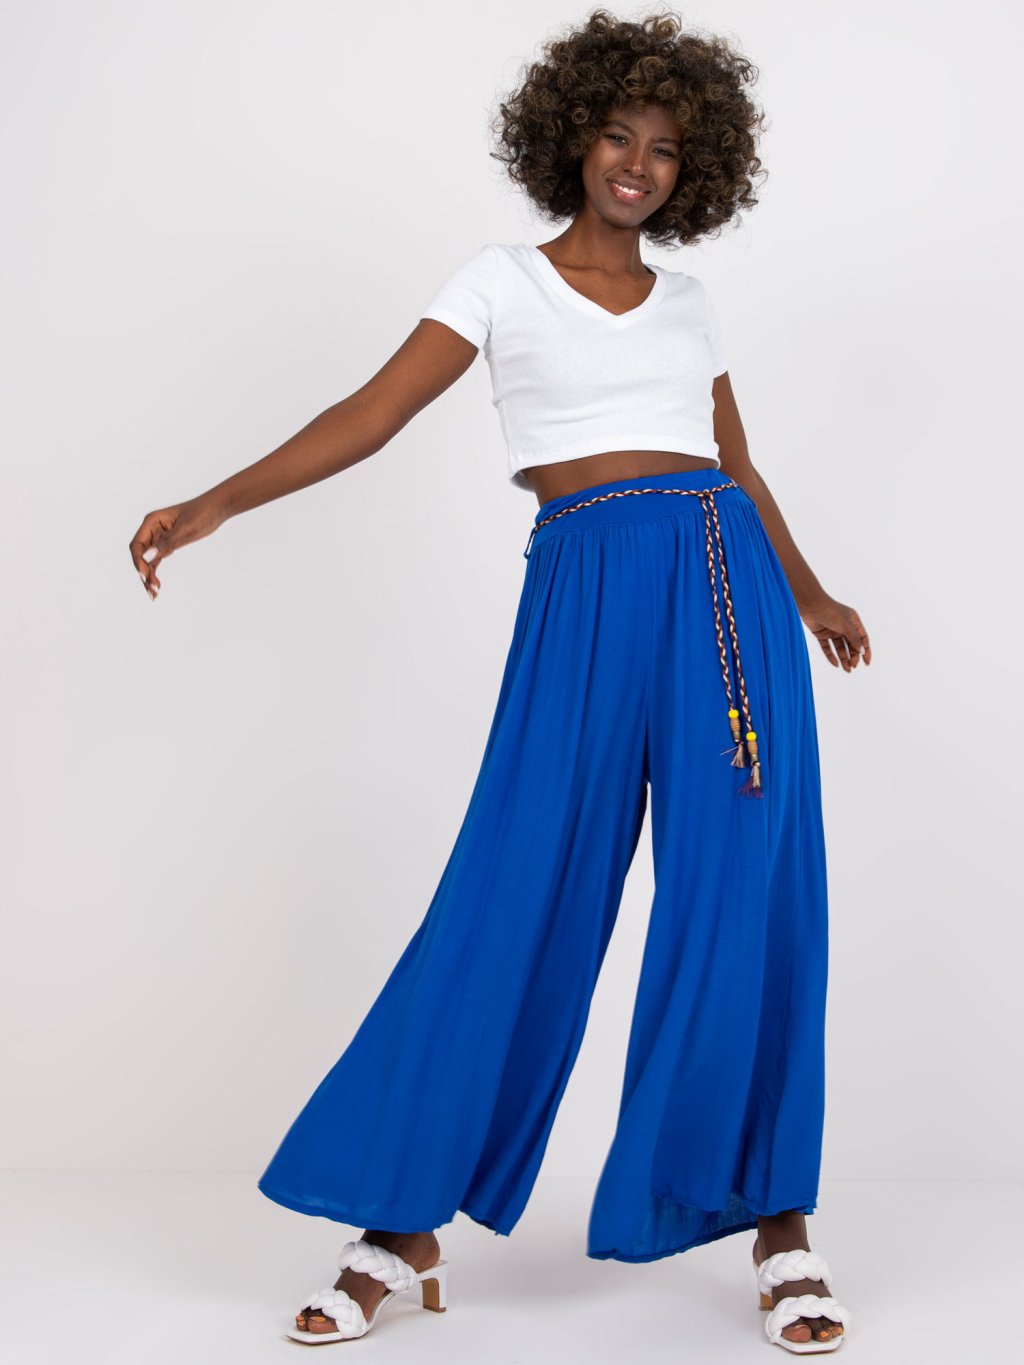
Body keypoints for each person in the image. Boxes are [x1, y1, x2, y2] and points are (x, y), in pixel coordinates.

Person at [129, 8, 868, 1354]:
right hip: (583, 592)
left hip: (725, 599)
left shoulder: (691, 304)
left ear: (694, 170)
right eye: (618, 134)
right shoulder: (499, 281)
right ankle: (402, 1221)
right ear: (571, 137)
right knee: (514, 888)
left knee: (744, 901)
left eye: (665, 148)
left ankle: (779, 1223)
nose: (636, 163)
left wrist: (809, 592)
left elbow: (736, 466)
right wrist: (217, 501)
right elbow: (373, 412)